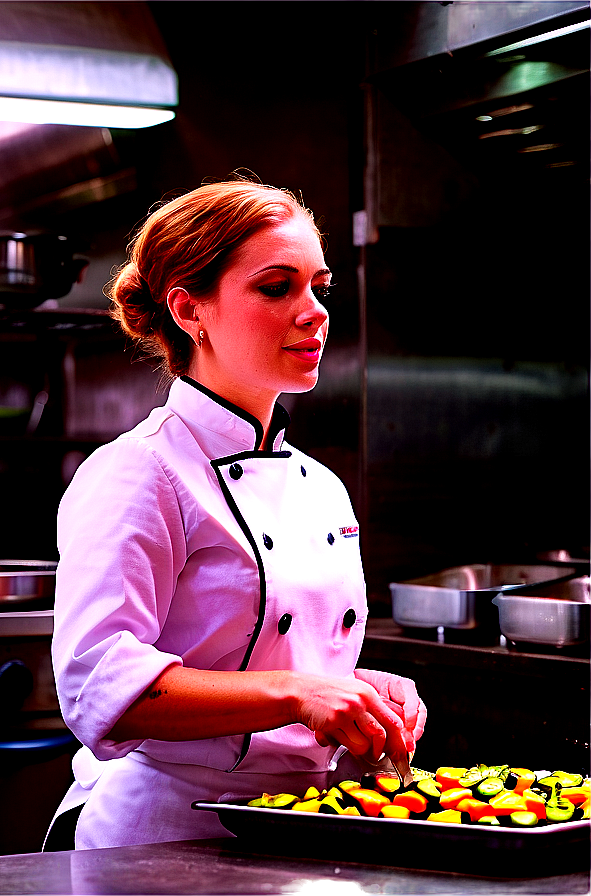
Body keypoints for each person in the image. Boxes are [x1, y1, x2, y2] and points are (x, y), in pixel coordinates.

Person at [47, 178, 427, 850]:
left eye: (319, 288)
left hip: (301, 823)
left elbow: (274, 659)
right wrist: (295, 692)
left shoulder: (322, 487)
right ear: (189, 309)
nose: (314, 313)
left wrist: (354, 694)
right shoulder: (140, 471)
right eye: (277, 288)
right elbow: (99, 687)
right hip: (165, 838)